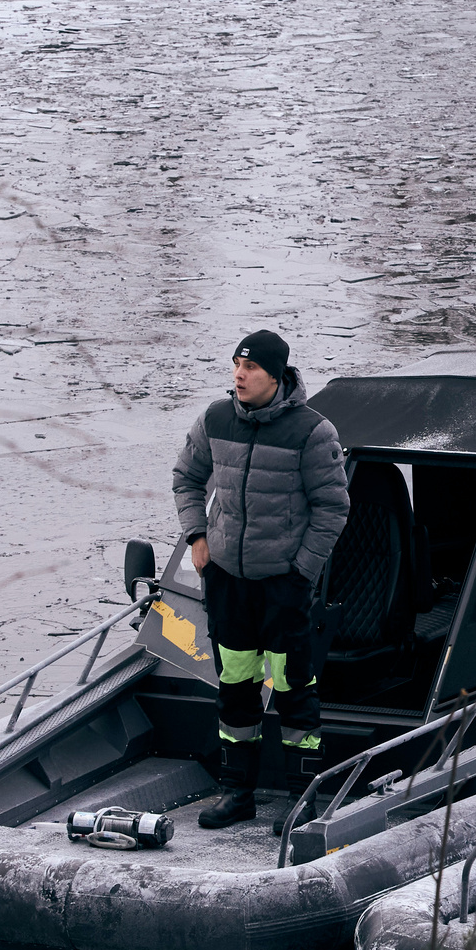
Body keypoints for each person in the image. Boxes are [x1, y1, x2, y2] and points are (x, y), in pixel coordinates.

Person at [172, 329, 350, 828]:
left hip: (283, 585)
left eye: (249, 368)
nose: (238, 375)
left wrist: (302, 572)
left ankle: (302, 800)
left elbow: (333, 508)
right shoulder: (215, 419)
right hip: (228, 582)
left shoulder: (313, 432)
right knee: (235, 684)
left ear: (276, 376)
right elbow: (186, 477)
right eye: (235, 365)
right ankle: (237, 794)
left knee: (293, 688)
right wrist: (197, 537)